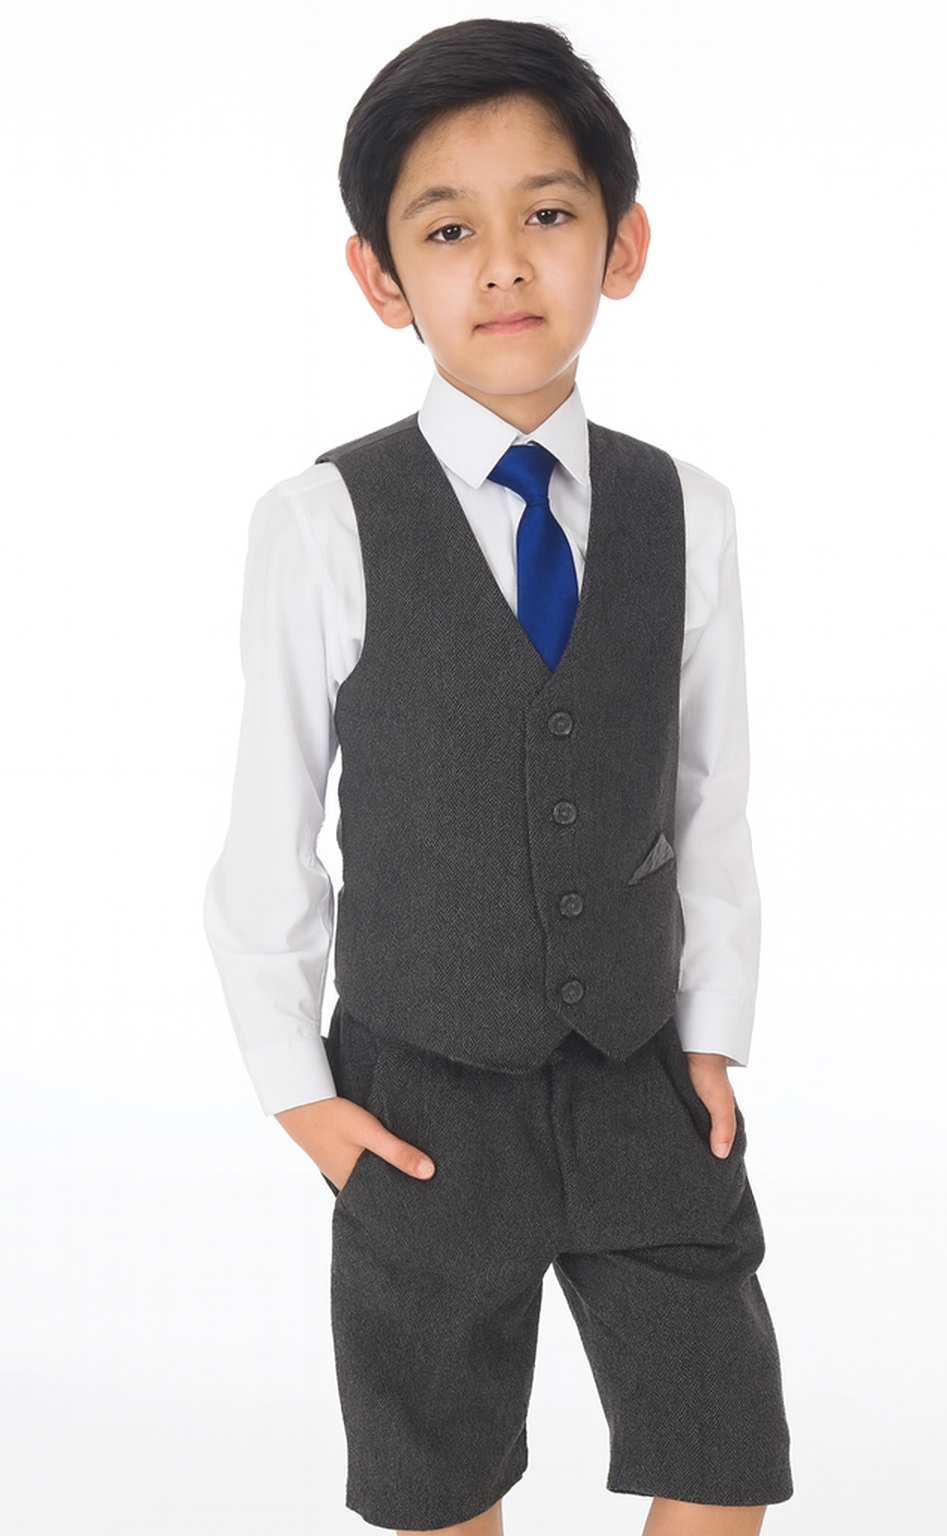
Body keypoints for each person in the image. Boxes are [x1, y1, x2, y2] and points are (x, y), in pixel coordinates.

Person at [205, 18, 792, 1536]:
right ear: (381, 279)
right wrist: (301, 1095)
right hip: (421, 1088)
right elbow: (272, 828)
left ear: (623, 243)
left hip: (639, 1069)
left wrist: (712, 1034)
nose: (506, 264)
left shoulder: (690, 513)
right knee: (438, 1474)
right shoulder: (322, 524)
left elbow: (710, 803)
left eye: (548, 213)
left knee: (722, 1445)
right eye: (449, 230)